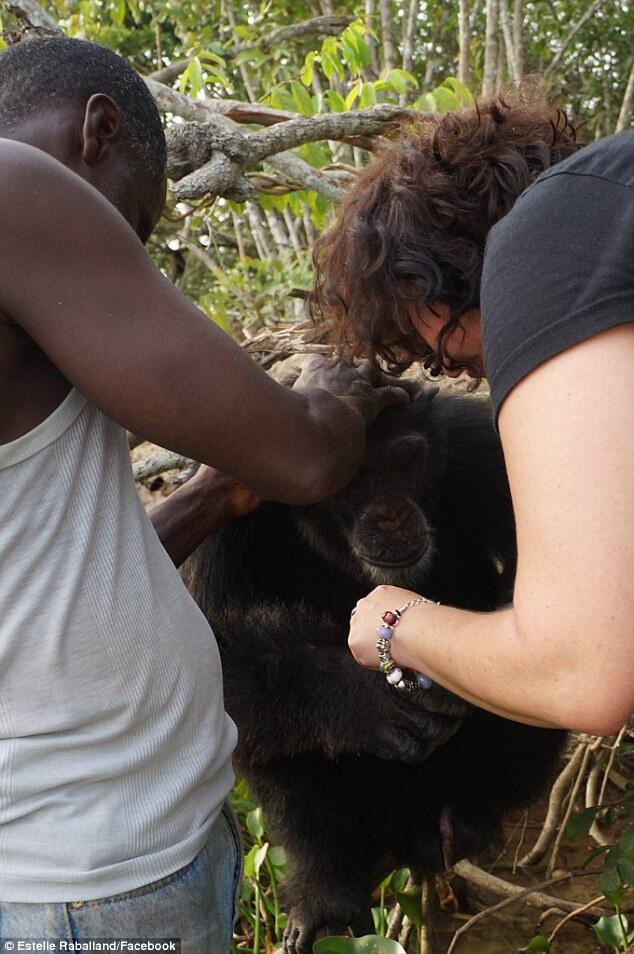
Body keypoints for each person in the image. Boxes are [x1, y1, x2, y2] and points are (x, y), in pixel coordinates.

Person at [0, 36, 407, 946]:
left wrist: (208, 499)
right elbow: (304, 459)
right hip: (95, 887)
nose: (126, 261)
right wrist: (331, 402)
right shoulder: (17, 190)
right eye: (134, 227)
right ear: (96, 131)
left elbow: (32, 579)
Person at [311, 94, 634, 737]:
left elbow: (582, 674)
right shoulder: (611, 199)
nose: (437, 360)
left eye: (417, 332)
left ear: (418, 273)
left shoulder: (542, 239)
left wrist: (395, 626)